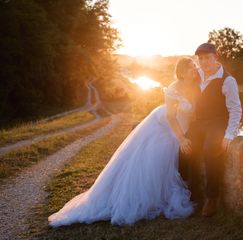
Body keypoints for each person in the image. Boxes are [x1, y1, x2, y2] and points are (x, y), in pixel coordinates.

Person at [48, 57, 199, 227]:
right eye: (191, 67)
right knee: (156, 158)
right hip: (167, 127)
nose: (195, 68)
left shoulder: (197, 83)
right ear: (182, 72)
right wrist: (181, 138)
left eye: (195, 66)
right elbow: (171, 117)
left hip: (184, 126)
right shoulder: (173, 89)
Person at [179, 43, 242, 217]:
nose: (204, 62)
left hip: (217, 123)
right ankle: (191, 192)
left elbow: (236, 110)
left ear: (216, 57)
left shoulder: (228, 80)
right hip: (199, 122)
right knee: (184, 148)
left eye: (207, 58)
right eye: (201, 59)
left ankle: (212, 199)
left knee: (211, 150)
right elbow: (181, 85)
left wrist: (230, 134)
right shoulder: (197, 74)